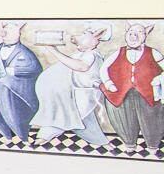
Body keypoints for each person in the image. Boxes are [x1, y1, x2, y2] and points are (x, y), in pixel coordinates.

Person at [36, 22, 109, 144]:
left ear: (96, 38)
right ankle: (104, 143)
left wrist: (54, 51)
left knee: (66, 116)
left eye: (84, 34)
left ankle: (43, 137)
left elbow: (80, 66)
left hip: (84, 94)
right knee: (86, 122)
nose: (80, 35)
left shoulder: (92, 55)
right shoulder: (83, 54)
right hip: (76, 93)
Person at [100, 21, 164, 155]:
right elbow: (104, 68)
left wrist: (159, 79)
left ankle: (153, 144)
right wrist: (108, 83)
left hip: (147, 93)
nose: (134, 37)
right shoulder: (119, 51)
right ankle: (129, 142)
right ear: (126, 33)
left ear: (146, 34)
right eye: (131, 33)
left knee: (152, 118)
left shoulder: (154, 53)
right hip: (123, 92)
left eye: (139, 33)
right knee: (123, 118)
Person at [0, 21, 42, 141]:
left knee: (12, 111)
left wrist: (12, 71)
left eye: (9, 29)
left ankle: (21, 136)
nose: (5, 33)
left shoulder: (25, 52)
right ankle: (6, 134)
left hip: (16, 93)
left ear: (18, 33)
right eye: (5, 29)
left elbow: (34, 69)